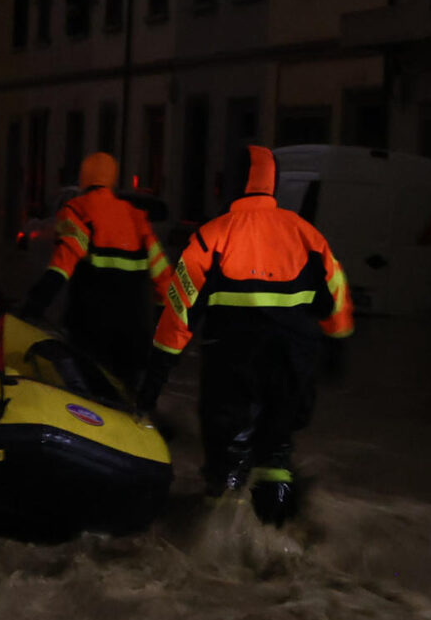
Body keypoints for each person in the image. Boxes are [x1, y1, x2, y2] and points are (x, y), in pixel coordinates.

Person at [134, 145, 353, 525]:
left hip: (232, 364)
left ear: (231, 185)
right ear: (274, 185)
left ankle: (221, 542)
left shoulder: (210, 238)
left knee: (228, 453)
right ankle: (277, 532)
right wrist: (338, 349)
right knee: (278, 449)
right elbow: (337, 297)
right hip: (293, 363)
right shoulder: (307, 235)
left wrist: (153, 383)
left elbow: (178, 317)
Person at [20, 151, 170, 389]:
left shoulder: (78, 210)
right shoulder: (137, 218)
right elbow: (165, 282)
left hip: (90, 334)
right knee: (126, 403)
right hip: (134, 337)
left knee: (89, 405)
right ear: (113, 181)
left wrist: (32, 306)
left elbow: (62, 267)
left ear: (83, 179)